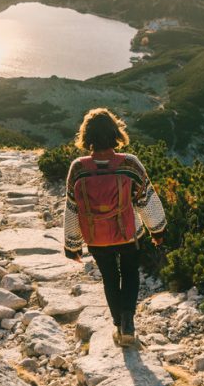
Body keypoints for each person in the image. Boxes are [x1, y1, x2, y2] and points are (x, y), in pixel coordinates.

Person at [63, 108, 167, 346]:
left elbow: (72, 207)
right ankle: (129, 323)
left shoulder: (78, 168)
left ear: (86, 136)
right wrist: (158, 231)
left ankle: (119, 327)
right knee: (130, 275)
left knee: (110, 278)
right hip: (127, 234)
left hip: (96, 237)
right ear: (115, 133)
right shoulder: (129, 163)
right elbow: (146, 199)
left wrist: (72, 245)